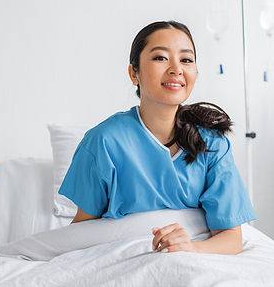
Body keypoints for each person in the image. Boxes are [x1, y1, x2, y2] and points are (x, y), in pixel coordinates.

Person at [59, 21, 256, 255]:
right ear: (134, 73)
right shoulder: (103, 142)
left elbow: (231, 239)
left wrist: (189, 248)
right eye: (161, 58)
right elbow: (82, 233)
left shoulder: (213, 144)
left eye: (186, 60)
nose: (176, 69)